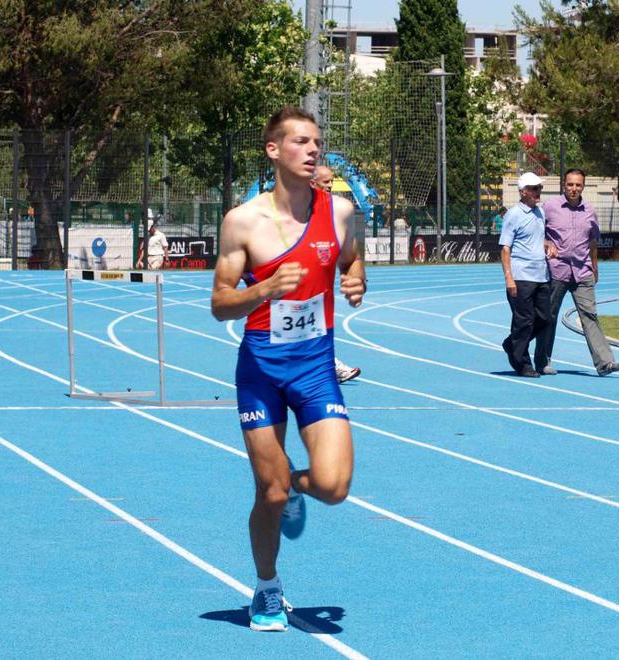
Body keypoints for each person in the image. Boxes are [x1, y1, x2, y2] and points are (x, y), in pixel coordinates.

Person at [210, 107, 366, 632]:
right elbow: (220, 303)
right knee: (269, 493)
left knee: (334, 486)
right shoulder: (243, 221)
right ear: (273, 150)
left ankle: (297, 484)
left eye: (316, 141)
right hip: (261, 371)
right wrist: (264, 289)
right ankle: (267, 586)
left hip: (316, 367)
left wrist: (356, 280)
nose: (313, 149)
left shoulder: (340, 211)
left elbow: (351, 258)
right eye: (300, 141)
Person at [537, 168, 619, 377]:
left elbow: (593, 241)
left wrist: (594, 266)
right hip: (556, 270)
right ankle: (542, 361)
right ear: (564, 185)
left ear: (583, 186)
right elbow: (537, 233)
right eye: (570, 184)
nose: (574, 188)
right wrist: (546, 243)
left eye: (578, 185)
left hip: (582, 271)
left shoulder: (589, 211)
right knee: (548, 316)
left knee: (590, 315)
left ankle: (605, 363)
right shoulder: (550, 207)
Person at [312, 165, 362, 384]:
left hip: (319, 285)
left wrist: (357, 279)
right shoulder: (296, 210)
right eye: (326, 182)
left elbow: (352, 256)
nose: (331, 185)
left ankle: (329, 366)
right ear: (312, 183)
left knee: (314, 330)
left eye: (332, 181)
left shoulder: (334, 211)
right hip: (297, 285)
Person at [499, 172, 551, 378]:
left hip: (541, 275)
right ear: (523, 192)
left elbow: (537, 238)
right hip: (521, 276)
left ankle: (512, 343)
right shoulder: (513, 215)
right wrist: (509, 278)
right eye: (534, 188)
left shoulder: (540, 213)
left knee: (545, 319)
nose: (538, 191)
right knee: (524, 321)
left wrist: (548, 245)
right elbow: (505, 248)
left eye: (540, 188)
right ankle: (522, 364)